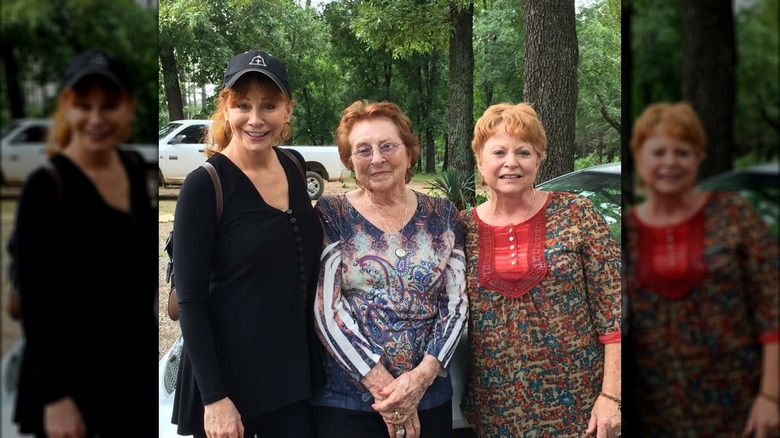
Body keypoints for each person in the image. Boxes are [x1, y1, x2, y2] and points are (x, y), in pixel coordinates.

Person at [170, 49, 323, 438]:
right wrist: (215, 400)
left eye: (269, 105)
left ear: (288, 110)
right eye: (243, 105)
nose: (256, 119)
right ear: (226, 106)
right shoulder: (205, 186)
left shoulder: (293, 164)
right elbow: (189, 301)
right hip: (231, 390)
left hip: (292, 376)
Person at [12, 49, 158, 436]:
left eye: (109, 105)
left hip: (125, 371)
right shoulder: (45, 187)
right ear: (66, 107)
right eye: (83, 105)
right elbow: (34, 301)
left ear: (127, 108)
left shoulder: (130, 167)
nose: (96, 118)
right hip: (68, 381)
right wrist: (55, 399)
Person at [459, 102, 622, 437]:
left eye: (523, 152)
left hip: (579, 404)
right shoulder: (462, 228)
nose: (511, 162)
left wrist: (611, 396)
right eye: (498, 152)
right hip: (497, 407)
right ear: (480, 160)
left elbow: (613, 310)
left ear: (538, 158)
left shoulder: (576, 213)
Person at [310, 100, 468, 438]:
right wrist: (386, 389)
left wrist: (420, 379)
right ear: (350, 161)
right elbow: (327, 310)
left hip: (429, 398)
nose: (377, 159)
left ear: (409, 153)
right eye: (363, 150)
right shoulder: (331, 213)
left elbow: (455, 305)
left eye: (387, 146)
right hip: (350, 403)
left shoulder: (443, 215)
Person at [623, 101, 779, 437]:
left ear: (698, 157)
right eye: (658, 152)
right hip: (652, 410)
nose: (670, 162)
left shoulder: (735, 215)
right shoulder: (628, 230)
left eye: (682, 152)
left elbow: (773, 309)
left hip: (740, 403)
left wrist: (771, 395)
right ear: (638, 157)